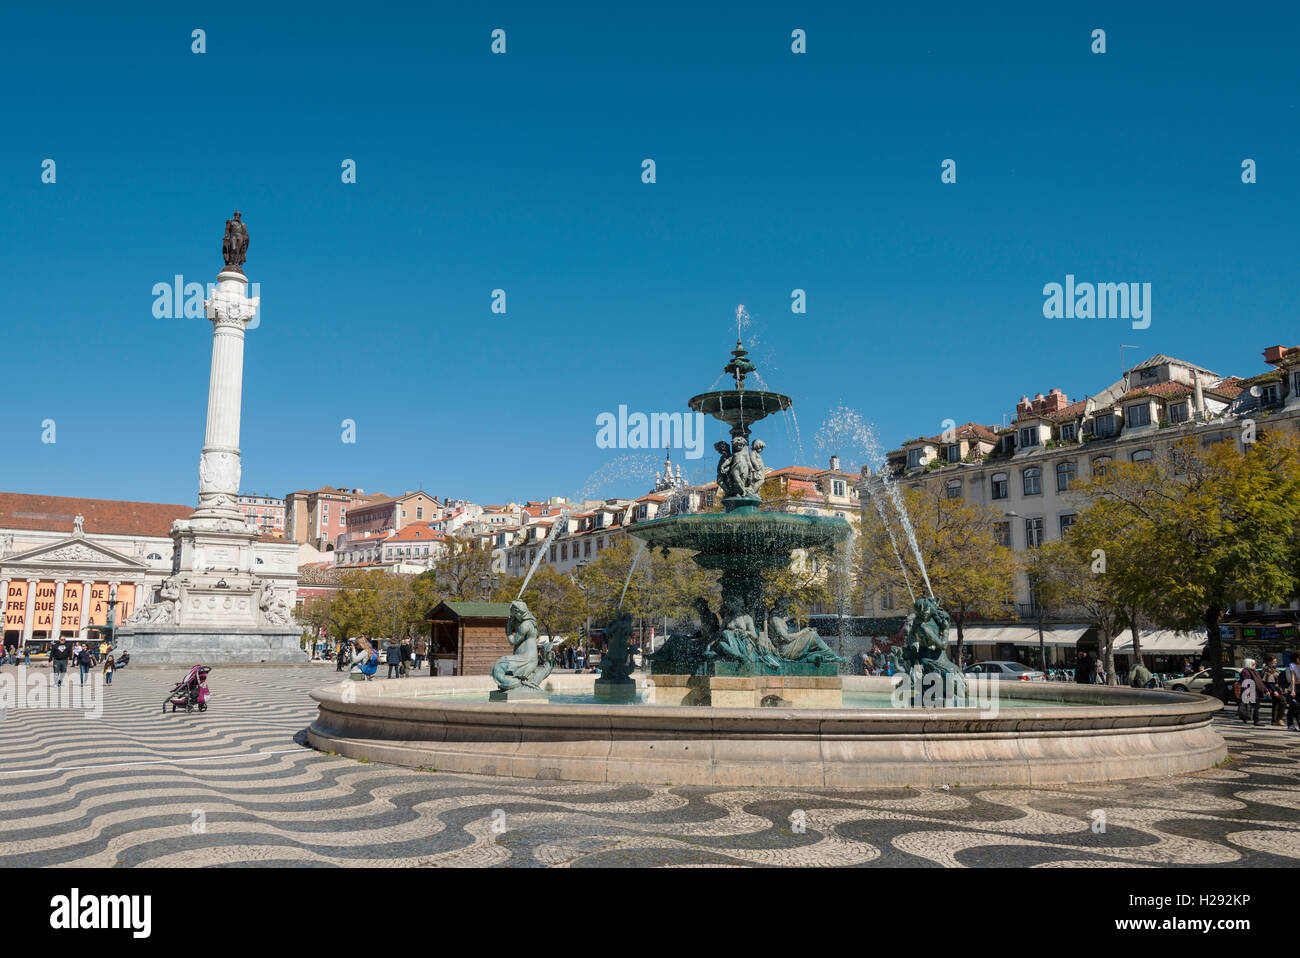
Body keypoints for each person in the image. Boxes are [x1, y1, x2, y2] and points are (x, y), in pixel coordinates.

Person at [1261, 655, 1286, 727]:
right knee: (1283, 701)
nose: (1276, 662)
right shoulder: (1267, 669)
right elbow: (1269, 681)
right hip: (1273, 689)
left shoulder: (1274, 668)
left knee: (1276, 704)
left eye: (1275, 661)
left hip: (1278, 688)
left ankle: (1274, 721)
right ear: (1269, 662)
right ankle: (1279, 719)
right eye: (1274, 661)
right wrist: (1274, 691)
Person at [1239, 659, 1264, 726]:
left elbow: (1260, 682)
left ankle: (1255, 720)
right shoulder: (1245, 671)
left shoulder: (1255, 672)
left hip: (1256, 692)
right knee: (1248, 706)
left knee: (1257, 706)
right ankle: (1249, 718)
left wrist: (1266, 690)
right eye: (1253, 664)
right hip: (1250, 691)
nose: (1255, 665)